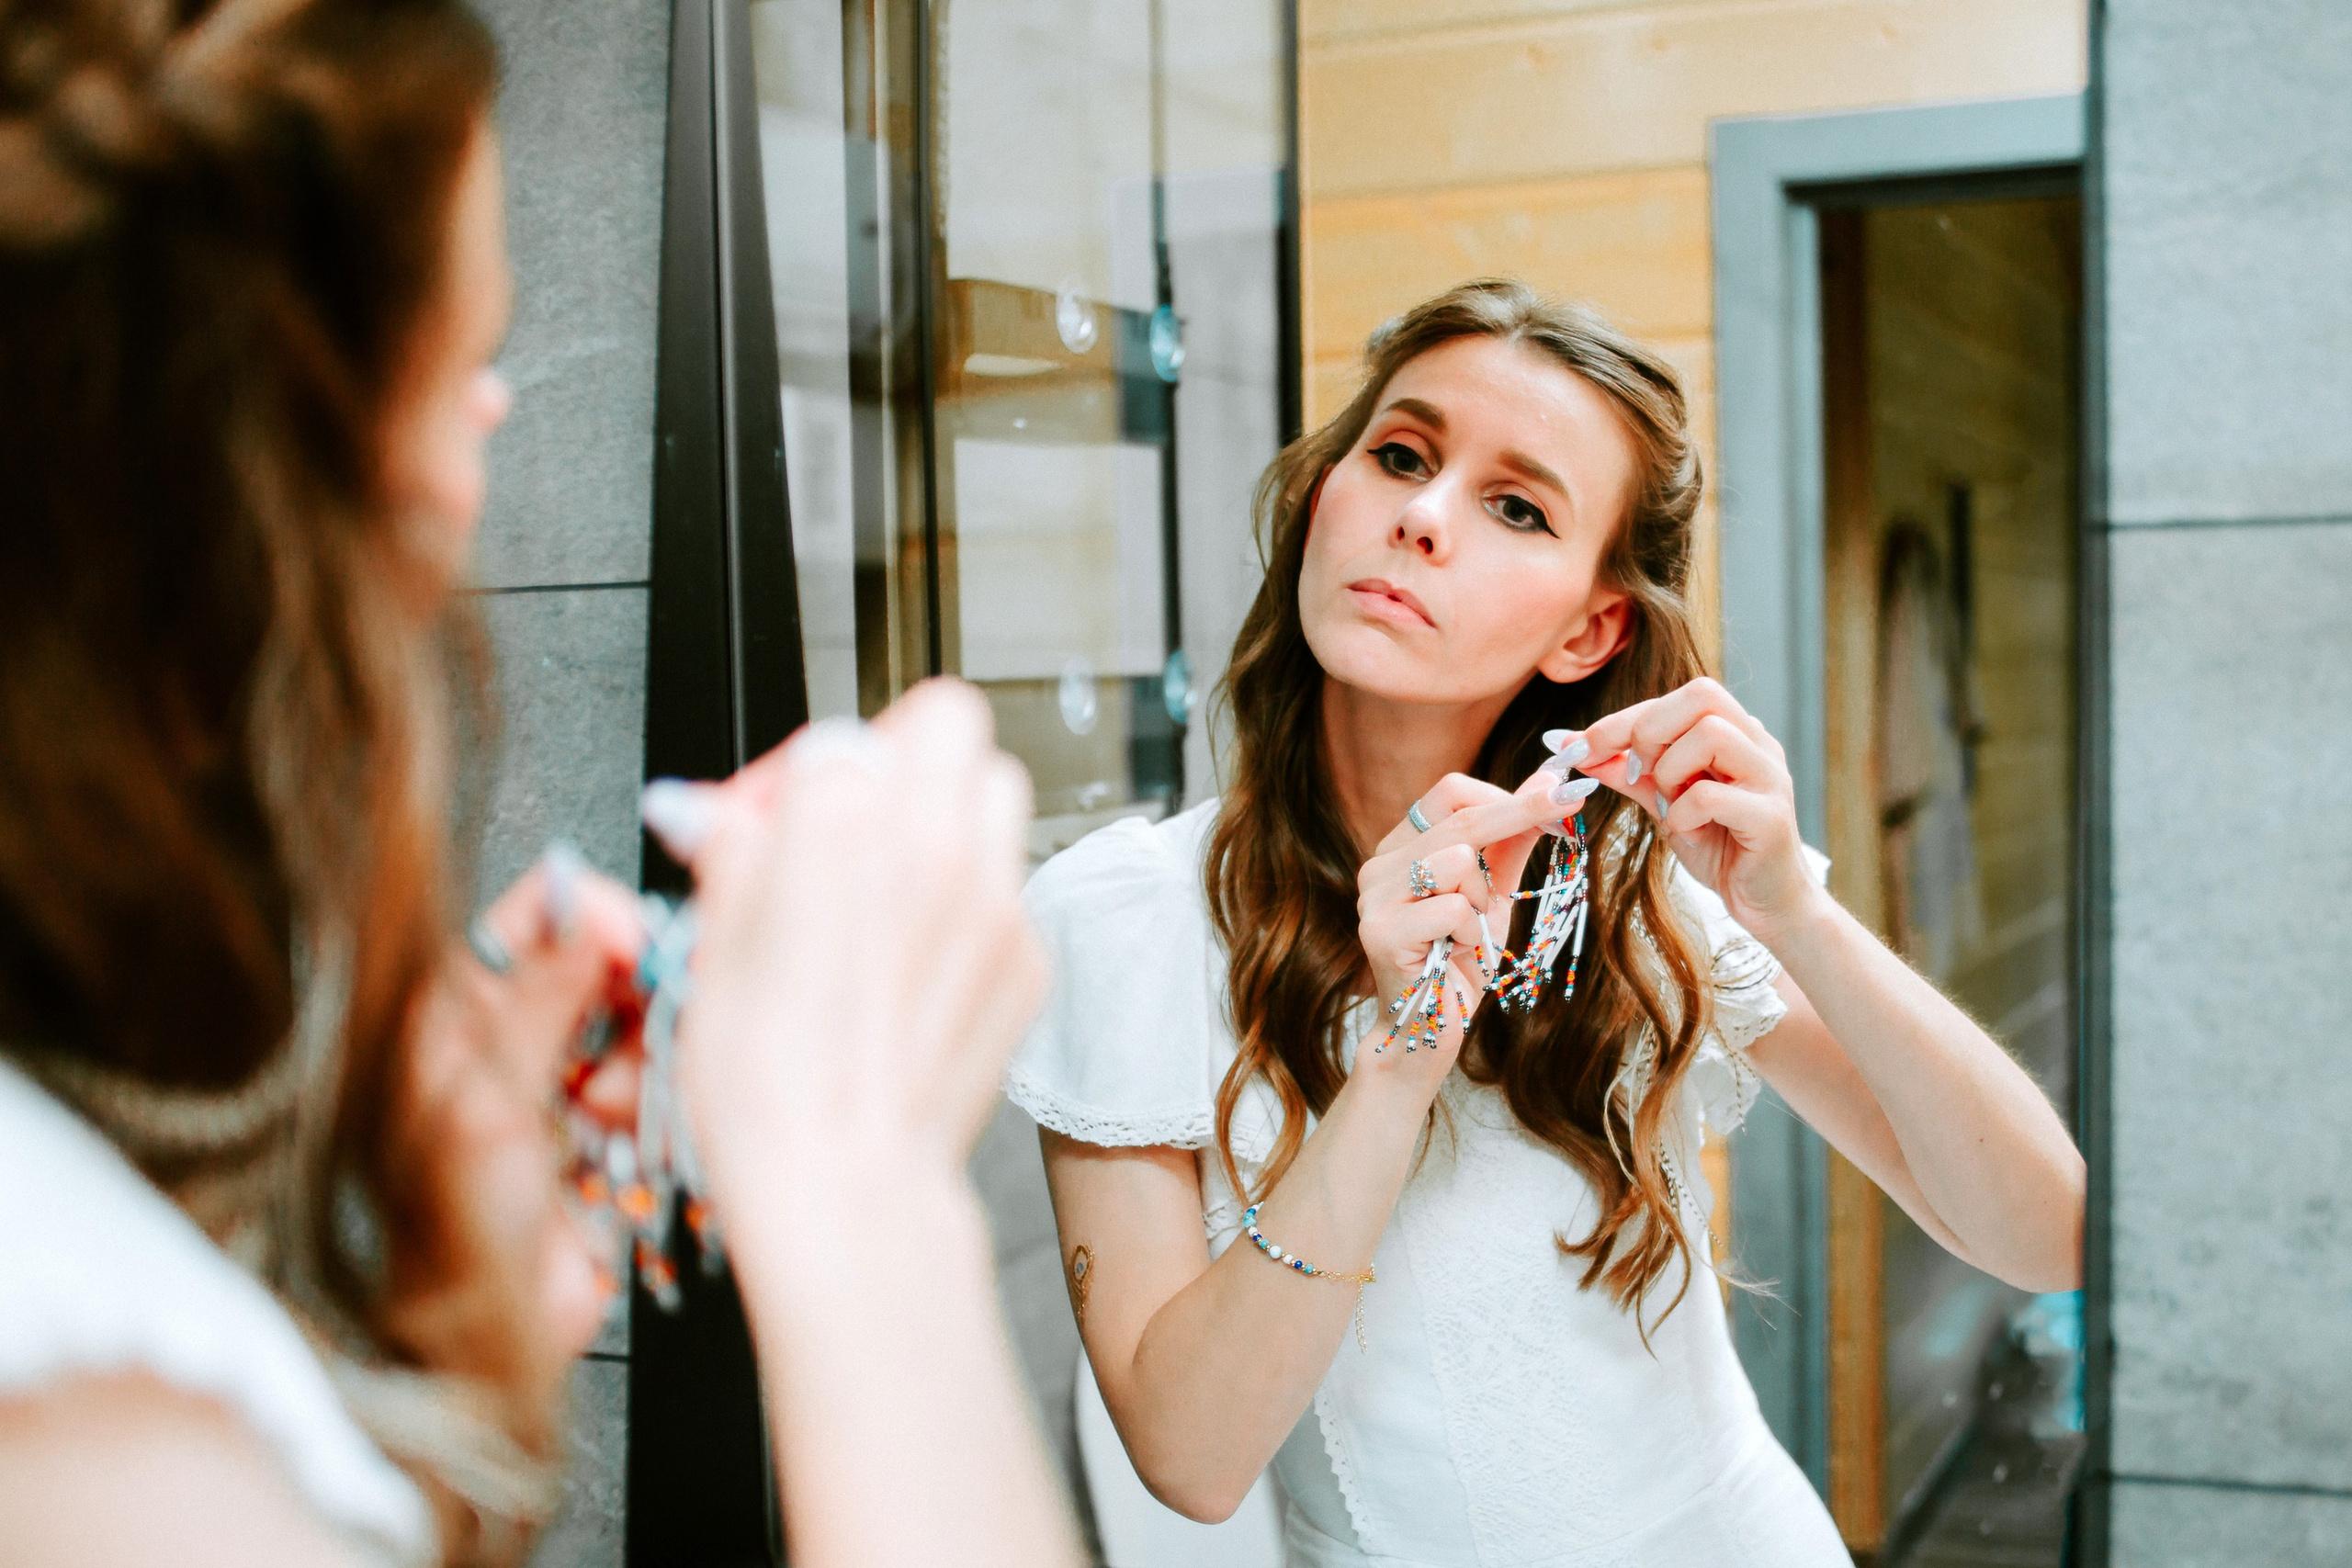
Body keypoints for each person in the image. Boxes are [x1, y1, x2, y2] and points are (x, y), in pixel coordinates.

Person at [0, 4, 1080, 1565]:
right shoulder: (83, 1417)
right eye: (468, 364)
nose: (493, 429)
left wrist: (461, 1328)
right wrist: (859, 1184)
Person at [1010, 279, 2086, 1566]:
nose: (1419, 516)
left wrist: (1794, 909)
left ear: (1593, 627)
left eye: (1514, 506)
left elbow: (2048, 1238)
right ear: (1321, 497)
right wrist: (1401, 1056)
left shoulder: (1640, 891)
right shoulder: (1126, 921)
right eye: (1400, 456)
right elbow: (1189, 1460)